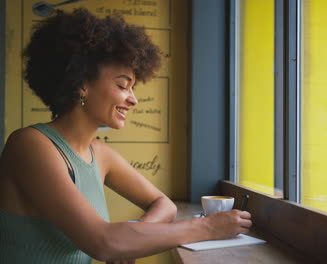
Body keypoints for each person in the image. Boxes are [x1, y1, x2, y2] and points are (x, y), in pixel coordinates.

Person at [0, 8, 251, 264]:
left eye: (132, 88)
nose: (133, 99)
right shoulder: (30, 145)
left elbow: (164, 204)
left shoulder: (100, 153)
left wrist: (134, 237)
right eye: (122, 85)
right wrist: (207, 228)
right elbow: (103, 242)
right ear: (81, 84)